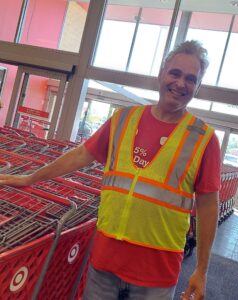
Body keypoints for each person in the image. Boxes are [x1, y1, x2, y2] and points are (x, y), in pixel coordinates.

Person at [0, 40, 220, 300]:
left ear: (198, 87)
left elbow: (208, 206)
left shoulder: (204, 139)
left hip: (156, 275)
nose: (181, 83)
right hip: (104, 264)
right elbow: (80, 155)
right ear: (161, 74)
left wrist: (202, 271)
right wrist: (30, 178)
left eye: (191, 79)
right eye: (175, 73)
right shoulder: (124, 120)